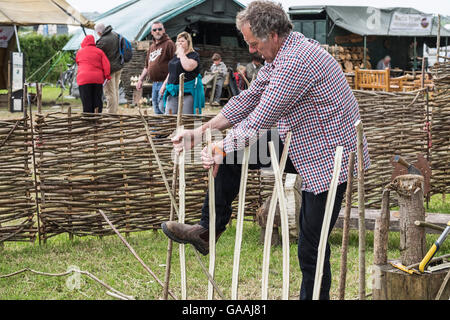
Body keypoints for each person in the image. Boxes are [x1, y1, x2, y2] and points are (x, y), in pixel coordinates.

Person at [162, 0, 370, 300]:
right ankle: (208, 231)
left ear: (273, 34)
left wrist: (221, 147)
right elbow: (249, 100)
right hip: (299, 140)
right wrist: (202, 132)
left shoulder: (297, 61)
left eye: (253, 42)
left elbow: (262, 117)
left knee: (312, 244)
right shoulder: (279, 56)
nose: (250, 50)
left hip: (330, 157)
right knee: (232, 155)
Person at [136, 21, 176, 115]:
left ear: (164, 30)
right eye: (155, 30)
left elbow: (175, 65)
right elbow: (147, 66)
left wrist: (166, 83)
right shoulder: (152, 47)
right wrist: (140, 79)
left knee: (163, 107)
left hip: (166, 83)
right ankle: (157, 129)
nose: (157, 31)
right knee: (156, 108)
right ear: (151, 32)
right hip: (155, 83)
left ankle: (167, 128)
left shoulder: (169, 44)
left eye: (159, 29)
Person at [160, 32, 204, 115]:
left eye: (182, 41)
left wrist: (182, 53)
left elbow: (187, 67)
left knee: (185, 117)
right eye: (178, 41)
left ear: (188, 42)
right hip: (173, 91)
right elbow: (171, 72)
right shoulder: (175, 56)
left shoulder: (194, 55)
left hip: (187, 92)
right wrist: (164, 85)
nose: (180, 43)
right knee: (170, 116)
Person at [75, 35, 111, 113]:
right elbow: (106, 64)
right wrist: (107, 76)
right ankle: (97, 118)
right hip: (97, 79)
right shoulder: (99, 52)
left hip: (83, 79)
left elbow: (77, 62)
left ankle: (88, 118)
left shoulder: (80, 52)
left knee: (86, 100)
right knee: (97, 99)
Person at [95, 23, 123, 114]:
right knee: (115, 91)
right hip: (118, 66)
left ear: (99, 32)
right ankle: (115, 110)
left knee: (110, 92)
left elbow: (96, 55)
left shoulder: (102, 41)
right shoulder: (115, 35)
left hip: (109, 70)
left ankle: (111, 114)